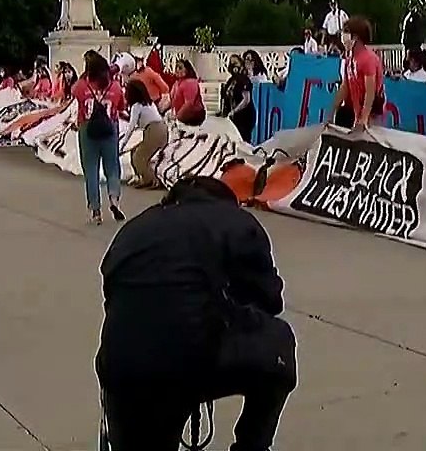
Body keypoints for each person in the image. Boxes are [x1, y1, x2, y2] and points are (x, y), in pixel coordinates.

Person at [97, 176, 295, 451]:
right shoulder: (235, 221)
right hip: (188, 361)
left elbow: (113, 293)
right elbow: (270, 300)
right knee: (279, 339)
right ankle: (252, 446)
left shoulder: (135, 228)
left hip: (121, 366)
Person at [73, 53, 127, 225]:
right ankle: (114, 198)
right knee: (112, 167)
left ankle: (95, 210)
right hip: (110, 128)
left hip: (87, 129)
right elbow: (121, 106)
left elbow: (75, 94)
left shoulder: (82, 86)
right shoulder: (115, 86)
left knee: (91, 170)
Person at [326, 16, 386, 131]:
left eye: (346, 32)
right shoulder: (350, 59)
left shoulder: (368, 59)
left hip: (372, 115)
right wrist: (332, 111)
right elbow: (345, 86)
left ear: (356, 36)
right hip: (357, 112)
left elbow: (370, 91)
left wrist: (364, 118)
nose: (343, 36)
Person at [125, 80, 169, 190]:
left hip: (153, 130)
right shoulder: (149, 103)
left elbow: (131, 126)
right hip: (161, 128)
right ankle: (143, 177)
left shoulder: (137, 106)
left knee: (139, 157)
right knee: (135, 152)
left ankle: (152, 180)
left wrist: (123, 143)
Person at [221, 54, 256, 142]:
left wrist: (234, 111)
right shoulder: (230, 80)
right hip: (233, 118)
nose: (233, 66)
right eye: (231, 63)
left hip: (244, 117)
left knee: (243, 141)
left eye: (235, 63)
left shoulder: (244, 80)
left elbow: (246, 100)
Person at [169, 59, 206, 126]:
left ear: (187, 69)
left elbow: (189, 104)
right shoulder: (177, 83)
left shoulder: (190, 82)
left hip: (193, 117)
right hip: (181, 118)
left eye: (180, 68)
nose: (177, 69)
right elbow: (172, 100)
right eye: (176, 67)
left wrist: (178, 118)